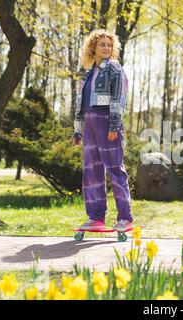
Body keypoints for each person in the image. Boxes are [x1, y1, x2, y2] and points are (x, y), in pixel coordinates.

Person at [72, 29, 133, 233]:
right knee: (91, 171)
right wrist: (78, 131)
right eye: (102, 45)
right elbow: (81, 103)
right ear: (93, 48)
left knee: (115, 169)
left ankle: (125, 218)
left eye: (109, 45)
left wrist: (114, 124)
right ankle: (96, 217)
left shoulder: (114, 68)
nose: (106, 48)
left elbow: (119, 97)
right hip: (89, 123)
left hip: (107, 122)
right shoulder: (88, 73)